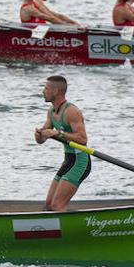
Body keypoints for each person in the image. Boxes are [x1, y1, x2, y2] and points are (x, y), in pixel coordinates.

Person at [34, 75, 88, 212]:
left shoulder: (71, 111)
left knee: (57, 205)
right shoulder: (51, 112)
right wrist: (39, 135)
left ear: (55, 91)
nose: (43, 91)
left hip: (80, 162)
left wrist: (58, 134)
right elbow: (42, 140)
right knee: (49, 205)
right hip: (68, 161)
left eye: (46, 88)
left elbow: (82, 139)